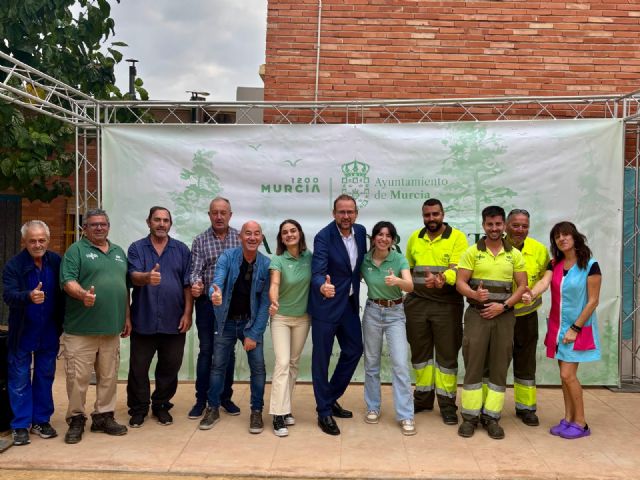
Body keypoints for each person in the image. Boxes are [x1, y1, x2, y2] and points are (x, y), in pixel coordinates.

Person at [523, 221, 601, 439]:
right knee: (563, 376)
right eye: (557, 236)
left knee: (568, 375)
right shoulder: (555, 263)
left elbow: (593, 301)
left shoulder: (590, 265)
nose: (562, 239)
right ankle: (568, 419)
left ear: (575, 237)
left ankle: (581, 423)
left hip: (578, 327)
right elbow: (544, 282)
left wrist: (575, 328)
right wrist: (532, 294)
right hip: (558, 328)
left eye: (566, 234)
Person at [60, 208, 131, 444]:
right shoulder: (76, 251)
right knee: (77, 379)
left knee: (108, 377)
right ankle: (76, 419)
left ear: (108, 226)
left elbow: (123, 288)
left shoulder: (119, 252)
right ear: (85, 228)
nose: (99, 228)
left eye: (103, 224)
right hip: (81, 330)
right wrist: (83, 295)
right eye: (93, 224)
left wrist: (126, 317)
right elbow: (68, 281)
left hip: (111, 329)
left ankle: (103, 416)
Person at [456, 205, 527, 440]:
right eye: (490, 224)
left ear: (504, 225)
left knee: (499, 366)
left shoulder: (514, 254)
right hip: (477, 315)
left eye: (498, 224)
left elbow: (522, 286)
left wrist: (503, 306)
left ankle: (492, 417)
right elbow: (460, 283)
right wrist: (474, 295)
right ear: (483, 225)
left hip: (504, 317)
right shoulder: (472, 252)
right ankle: (470, 417)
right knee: (474, 364)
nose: (494, 228)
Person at [199, 221, 270, 434]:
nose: (252, 237)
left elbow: (265, 303)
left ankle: (256, 411)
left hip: (251, 323)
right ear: (240, 237)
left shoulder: (266, 264)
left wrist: (254, 333)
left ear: (261, 238)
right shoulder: (227, 257)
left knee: (258, 369)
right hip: (225, 322)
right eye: (248, 233)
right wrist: (215, 293)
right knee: (218, 366)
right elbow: (218, 282)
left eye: (256, 234)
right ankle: (212, 408)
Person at [126, 206, 193, 428]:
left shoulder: (181, 250)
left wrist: (187, 313)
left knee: (170, 366)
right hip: (143, 319)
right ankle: (139, 408)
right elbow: (133, 277)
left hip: (174, 321)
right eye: (157, 220)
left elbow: (187, 284)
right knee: (138, 368)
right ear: (149, 222)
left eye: (166, 220)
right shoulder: (137, 248)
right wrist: (147, 277)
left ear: (170, 224)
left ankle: (161, 405)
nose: (161, 224)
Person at [404, 198, 468, 425]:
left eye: (435, 214)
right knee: (420, 355)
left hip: (447, 305)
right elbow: (408, 269)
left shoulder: (457, 237)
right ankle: (422, 399)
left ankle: (447, 405)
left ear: (443, 214)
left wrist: (443, 278)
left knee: (447, 357)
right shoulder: (415, 238)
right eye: (427, 215)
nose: (431, 218)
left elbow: (460, 268)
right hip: (417, 304)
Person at [308, 194, 366, 436]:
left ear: (356, 214)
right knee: (321, 359)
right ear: (334, 214)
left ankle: (329, 398)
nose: (346, 216)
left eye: (350, 212)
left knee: (354, 350)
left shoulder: (361, 232)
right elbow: (317, 271)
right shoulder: (324, 236)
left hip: (349, 305)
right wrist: (322, 285)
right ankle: (324, 412)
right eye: (341, 212)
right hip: (326, 305)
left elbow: (359, 266)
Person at [2, 221, 64, 446]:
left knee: (45, 376)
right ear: (24, 242)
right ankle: (20, 424)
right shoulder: (14, 265)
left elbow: (64, 291)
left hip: (49, 330)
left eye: (41, 240)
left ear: (48, 240)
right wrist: (28, 296)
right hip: (23, 331)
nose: (37, 245)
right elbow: (8, 295)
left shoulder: (56, 261)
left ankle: (41, 420)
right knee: (19, 378)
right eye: (32, 241)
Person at [360, 221, 416, 435]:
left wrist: (397, 281)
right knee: (371, 363)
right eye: (380, 235)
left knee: (400, 364)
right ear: (373, 238)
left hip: (395, 314)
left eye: (388, 236)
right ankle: (373, 407)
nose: (384, 239)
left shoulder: (398, 258)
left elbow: (410, 286)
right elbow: (350, 279)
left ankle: (406, 415)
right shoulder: (364, 260)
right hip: (372, 312)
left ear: (393, 240)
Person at [189, 197, 240, 419]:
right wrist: (196, 284)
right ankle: (201, 400)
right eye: (215, 213)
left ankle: (225, 397)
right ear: (209, 215)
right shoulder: (200, 240)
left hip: (233, 305)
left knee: (228, 351)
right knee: (207, 351)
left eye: (223, 212)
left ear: (230, 215)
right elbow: (194, 271)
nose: (219, 217)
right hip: (207, 305)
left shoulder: (240, 238)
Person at [505, 209, 550, 427]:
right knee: (494, 363)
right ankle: (490, 407)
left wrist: (533, 293)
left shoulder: (539, 250)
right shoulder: (495, 247)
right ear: (506, 226)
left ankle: (526, 408)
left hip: (527, 316)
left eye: (524, 226)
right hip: (500, 316)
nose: (520, 230)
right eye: (515, 225)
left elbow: (545, 278)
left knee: (526, 362)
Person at [268, 219, 312, 437]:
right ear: (281, 238)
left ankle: (285, 408)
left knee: (293, 364)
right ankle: (277, 414)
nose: (289, 234)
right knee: (283, 363)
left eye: (293, 230)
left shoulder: (310, 257)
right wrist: (274, 301)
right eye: (285, 232)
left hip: (303, 319)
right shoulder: (278, 259)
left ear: (300, 233)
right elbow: (274, 283)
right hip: (281, 318)